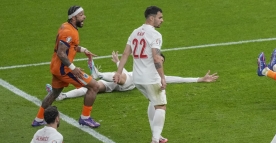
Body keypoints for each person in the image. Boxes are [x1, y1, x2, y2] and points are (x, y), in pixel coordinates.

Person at [31, 5, 101, 128]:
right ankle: (85, 118)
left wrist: (83, 50)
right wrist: (74, 69)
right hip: (64, 69)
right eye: (81, 15)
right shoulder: (68, 32)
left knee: (55, 92)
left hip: (56, 67)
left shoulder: (67, 26)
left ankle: (38, 118)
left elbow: (71, 46)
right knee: (94, 86)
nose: (84, 17)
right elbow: (61, 52)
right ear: (74, 18)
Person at [49, 51, 219, 101]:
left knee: (121, 77)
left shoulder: (157, 76)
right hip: (117, 81)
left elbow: (177, 79)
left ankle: (98, 72)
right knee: (92, 87)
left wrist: (199, 79)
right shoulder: (146, 65)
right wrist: (117, 63)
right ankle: (62, 96)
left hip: (128, 82)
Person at [114, 6, 169, 143]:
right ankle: (155, 141)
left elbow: (126, 53)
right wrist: (162, 77)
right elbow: (157, 58)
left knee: (153, 101)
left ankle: (157, 135)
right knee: (161, 105)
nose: (162, 20)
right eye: (160, 17)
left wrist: (118, 72)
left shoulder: (134, 32)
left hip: (137, 78)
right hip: (150, 78)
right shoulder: (155, 35)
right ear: (151, 18)